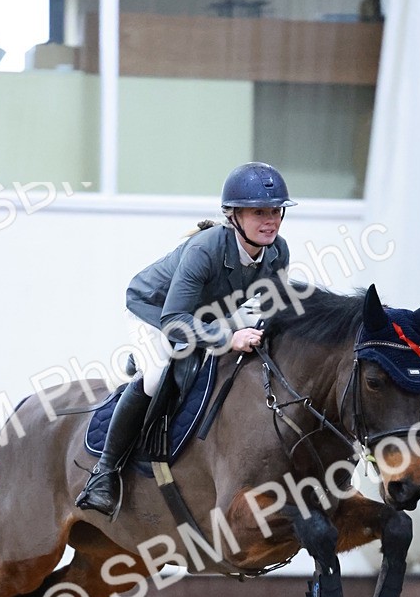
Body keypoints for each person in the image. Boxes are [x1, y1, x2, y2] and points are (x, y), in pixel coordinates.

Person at [75, 161, 296, 517]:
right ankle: (104, 473)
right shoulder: (205, 249)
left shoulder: (277, 252)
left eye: (276, 211)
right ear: (234, 216)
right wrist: (227, 337)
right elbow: (174, 322)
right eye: (259, 212)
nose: (270, 220)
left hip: (210, 312)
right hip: (155, 308)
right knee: (156, 375)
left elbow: (273, 309)